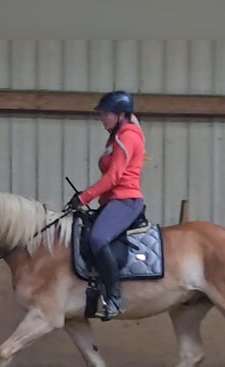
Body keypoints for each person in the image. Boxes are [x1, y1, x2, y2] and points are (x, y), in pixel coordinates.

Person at [67, 90, 146, 321]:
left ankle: (114, 297)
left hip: (126, 200)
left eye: (105, 113)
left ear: (121, 115)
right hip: (112, 201)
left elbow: (113, 177)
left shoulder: (127, 137)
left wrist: (84, 197)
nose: (102, 117)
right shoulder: (115, 137)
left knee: (98, 238)